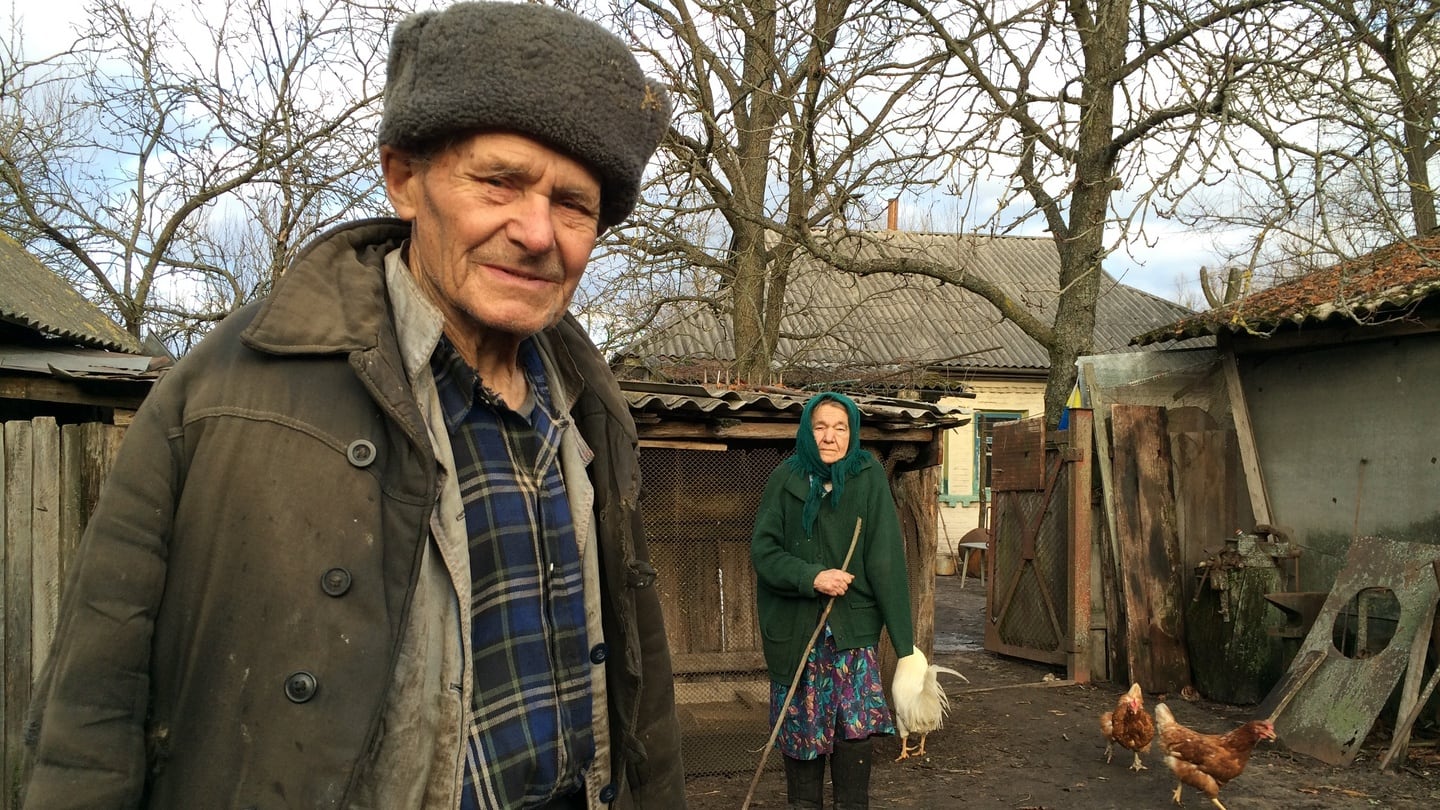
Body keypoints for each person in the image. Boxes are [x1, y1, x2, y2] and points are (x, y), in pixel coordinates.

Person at [21, 3, 686, 808]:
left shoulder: (592, 411)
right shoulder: (226, 392)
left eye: (573, 204)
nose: (537, 232)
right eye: (498, 182)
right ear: (405, 178)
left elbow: (640, 700)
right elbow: (93, 707)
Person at [750, 391, 918, 810]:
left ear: (852, 433)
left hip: (851, 641)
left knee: (853, 741)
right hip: (798, 640)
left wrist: (907, 649)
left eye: (840, 428)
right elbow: (764, 554)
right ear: (807, 431)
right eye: (820, 427)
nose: (830, 437)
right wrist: (813, 577)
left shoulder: (869, 476)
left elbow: (886, 563)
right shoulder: (784, 479)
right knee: (803, 743)